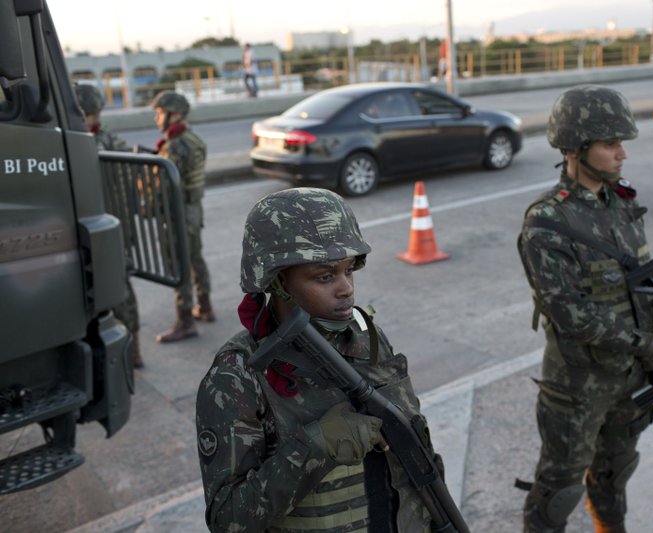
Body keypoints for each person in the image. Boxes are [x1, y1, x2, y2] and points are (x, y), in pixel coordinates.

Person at [195, 187, 445, 531]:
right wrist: (315, 447)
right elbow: (228, 519)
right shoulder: (239, 374)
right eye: (324, 276)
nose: (345, 288)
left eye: (349, 271)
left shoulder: (366, 338)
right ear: (278, 280)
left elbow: (417, 447)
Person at [517, 85, 653, 533]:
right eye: (611, 144)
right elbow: (568, 313)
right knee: (559, 490)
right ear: (575, 149)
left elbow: (647, 292)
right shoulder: (548, 222)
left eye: (621, 143)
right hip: (578, 387)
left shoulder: (621, 204)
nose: (622, 154)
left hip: (631, 378)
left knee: (614, 475)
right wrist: (646, 346)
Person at [75, 83, 144, 368]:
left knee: (116, 290)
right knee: (119, 289)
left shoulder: (83, 144)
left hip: (102, 231)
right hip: (113, 229)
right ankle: (129, 348)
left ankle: (130, 350)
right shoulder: (114, 142)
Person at [151, 90, 215, 342]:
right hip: (193, 208)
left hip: (179, 211)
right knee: (195, 259)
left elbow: (163, 184)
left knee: (179, 264)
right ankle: (206, 306)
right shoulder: (193, 138)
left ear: (174, 114)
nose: (157, 118)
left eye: (159, 113)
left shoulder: (176, 145)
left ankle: (185, 321)